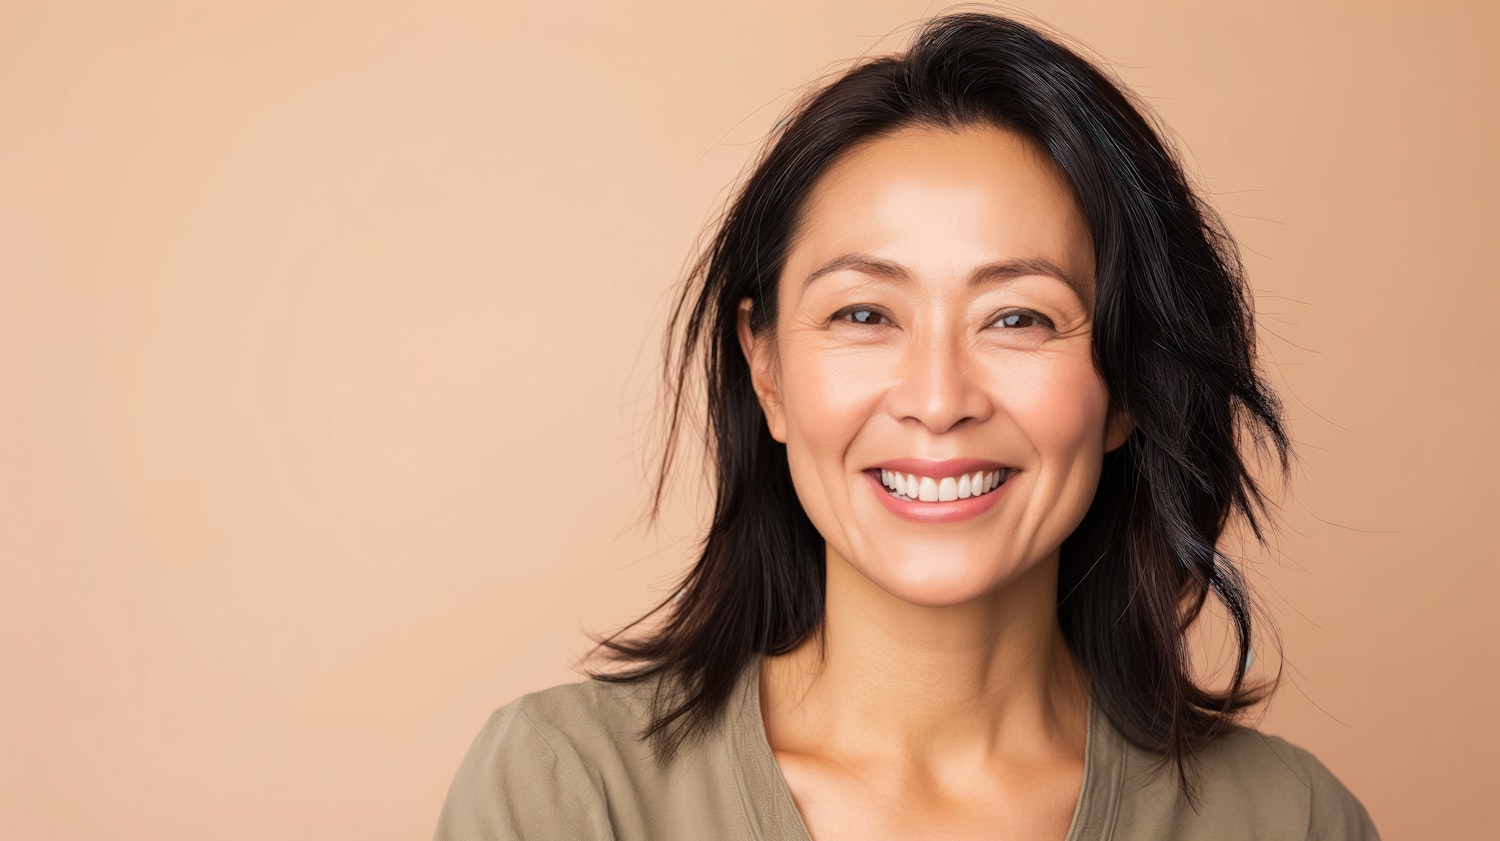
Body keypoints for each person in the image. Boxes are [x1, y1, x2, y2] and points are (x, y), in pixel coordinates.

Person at [433, 11, 1380, 840]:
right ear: (765, 367)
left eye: (1019, 318)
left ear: (1128, 387)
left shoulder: (1290, 820)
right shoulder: (565, 794)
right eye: (864, 314)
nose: (937, 398)